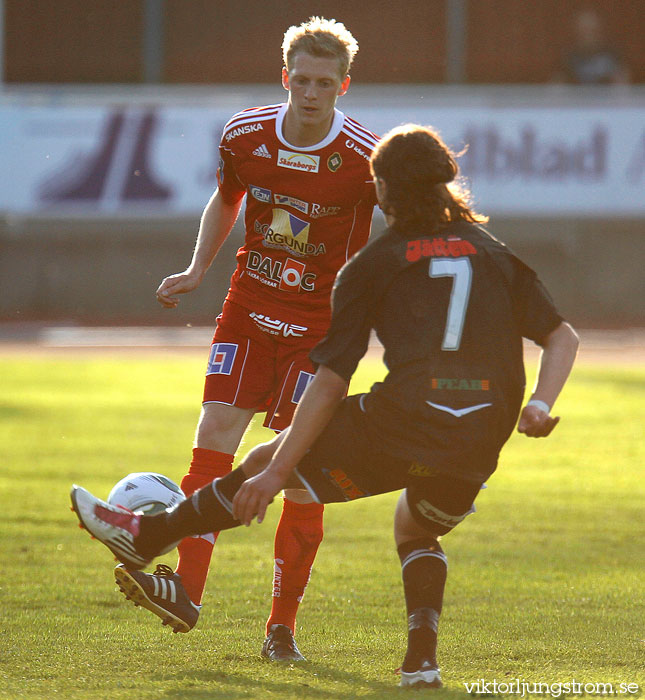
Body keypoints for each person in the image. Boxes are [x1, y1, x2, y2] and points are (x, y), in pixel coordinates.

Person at [71, 123, 579, 688]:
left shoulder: (374, 262)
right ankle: (420, 664)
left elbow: (331, 379)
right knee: (415, 529)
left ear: (383, 189)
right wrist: (540, 403)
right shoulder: (494, 252)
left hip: (403, 421)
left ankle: (145, 536)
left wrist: (279, 470)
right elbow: (563, 337)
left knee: (267, 460)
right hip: (482, 438)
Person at [113, 16, 379, 661]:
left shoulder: (367, 158)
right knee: (213, 443)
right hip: (249, 308)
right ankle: (185, 590)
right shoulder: (245, 134)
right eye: (303, 80)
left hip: (320, 326)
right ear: (285, 77)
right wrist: (199, 268)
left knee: (299, 472)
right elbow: (225, 198)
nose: (312, 93)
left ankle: (281, 628)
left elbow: (388, 235)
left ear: (343, 86)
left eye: (326, 83)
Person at [555, 8, 630, 85]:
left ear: (600, 31)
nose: (588, 36)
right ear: (576, 33)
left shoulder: (612, 56)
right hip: (579, 96)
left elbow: (622, 83)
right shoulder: (569, 58)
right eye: (584, 32)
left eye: (592, 31)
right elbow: (557, 83)